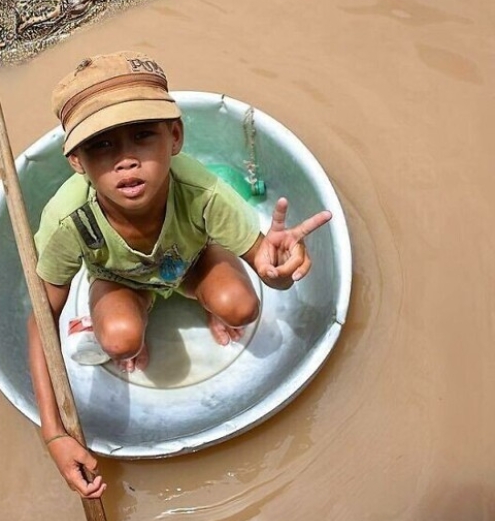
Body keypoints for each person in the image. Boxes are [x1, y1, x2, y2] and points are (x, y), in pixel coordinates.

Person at [27, 51, 332, 498]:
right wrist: (53, 433)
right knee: (119, 338)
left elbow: (267, 265)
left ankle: (201, 300)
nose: (125, 161)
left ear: (174, 136)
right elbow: (42, 317)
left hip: (190, 263)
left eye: (141, 136)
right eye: (102, 145)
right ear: (76, 161)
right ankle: (142, 305)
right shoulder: (68, 220)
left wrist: (280, 272)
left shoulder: (202, 191)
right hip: (121, 279)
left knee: (241, 307)